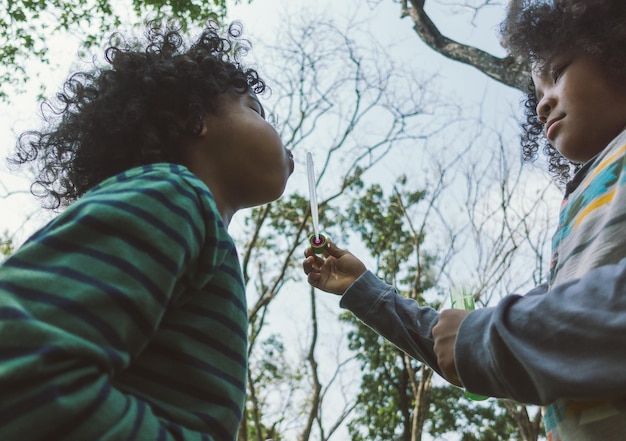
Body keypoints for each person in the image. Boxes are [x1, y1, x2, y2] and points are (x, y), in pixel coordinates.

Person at [303, 1, 626, 440]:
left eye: (559, 70)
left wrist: (488, 337)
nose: (541, 104)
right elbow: (459, 348)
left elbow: (491, 338)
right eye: (535, 91)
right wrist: (364, 290)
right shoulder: (578, 218)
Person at [0, 20, 294, 441]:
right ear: (195, 120)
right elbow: (23, 361)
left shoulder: (193, 226)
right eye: (254, 108)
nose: (281, 137)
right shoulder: (174, 194)